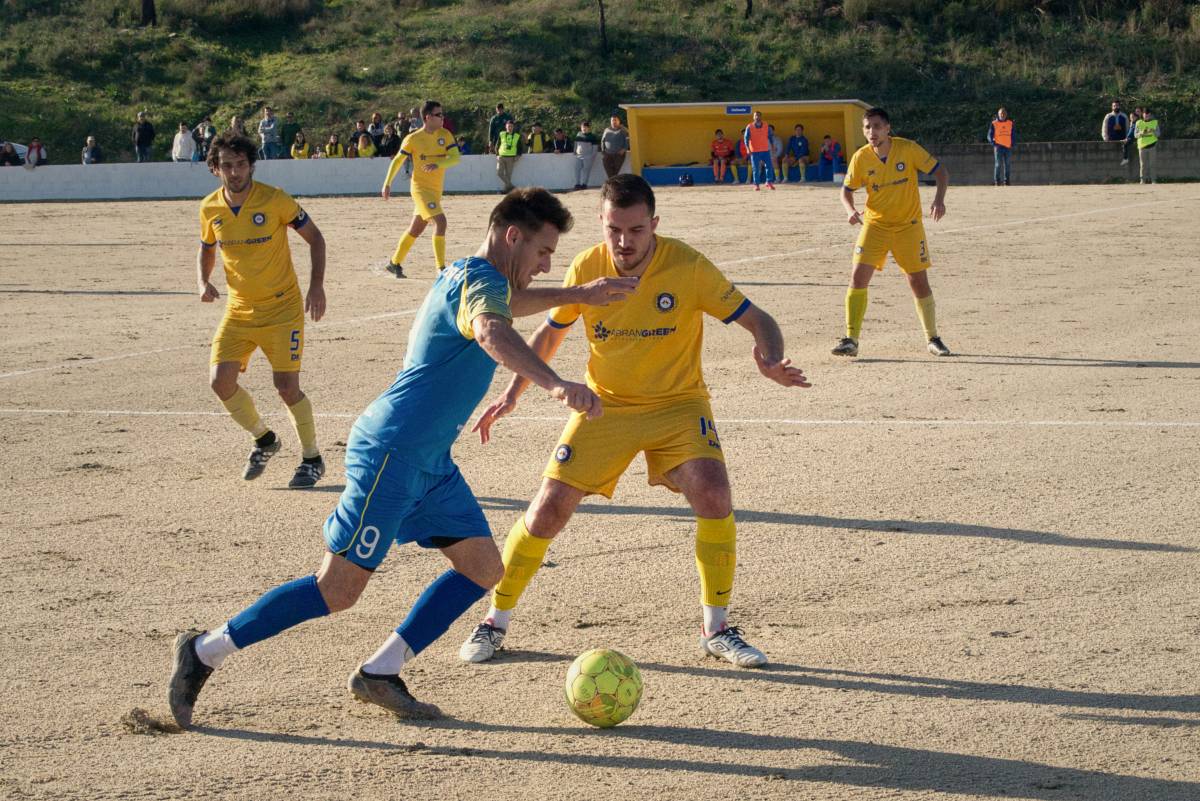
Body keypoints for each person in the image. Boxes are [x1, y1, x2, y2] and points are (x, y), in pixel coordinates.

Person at [168, 187, 640, 727]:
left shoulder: (470, 274)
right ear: (513, 236)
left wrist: (581, 292)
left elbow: (506, 304)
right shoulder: (482, 286)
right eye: (542, 253)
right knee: (337, 590)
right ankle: (204, 651)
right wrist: (554, 383)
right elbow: (491, 327)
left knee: (484, 568)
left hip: (428, 460)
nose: (545, 264)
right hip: (392, 452)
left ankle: (380, 672)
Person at [458, 174, 811, 668]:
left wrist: (770, 357)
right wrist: (513, 392)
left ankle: (718, 629)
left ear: (655, 225)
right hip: (606, 407)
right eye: (613, 230)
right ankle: (495, 621)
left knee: (714, 494)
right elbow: (551, 332)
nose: (623, 242)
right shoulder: (588, 267)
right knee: (547, 510)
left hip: (678, 405)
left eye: (636, 231)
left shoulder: (687, 266)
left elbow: (759, 319)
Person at [194, 131, 329, 488]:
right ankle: (264, 439)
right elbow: (207, 247)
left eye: (241, 164)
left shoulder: (275, 200)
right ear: (214, 169)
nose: (235, 172)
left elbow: (316, 237)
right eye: (227, 166)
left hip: (282, 310)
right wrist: (202, 280)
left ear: (251, 165)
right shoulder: (210, 208)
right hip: (239, 312)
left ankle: (312, 458)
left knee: (286, 386)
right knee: (220, 382)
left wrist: (316, 286)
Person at [833, 107, 951, 359]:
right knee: (857, 278)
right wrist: (850, 210)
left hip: (908, 227)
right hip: (875, 226)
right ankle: (851, 339)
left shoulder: (908, 149)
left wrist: (939, 200)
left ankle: (933, 338)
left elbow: (941, 172)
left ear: (888, 128)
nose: (871, 132)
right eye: (867, 127)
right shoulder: (861, 157)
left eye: (876, 126)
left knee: (918, 282)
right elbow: (846, 190)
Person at [379, 99, 462, 278]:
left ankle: (394, 263)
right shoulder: (413, 138)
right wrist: (387, 182)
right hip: (420, 189)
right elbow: (398, 160)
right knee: (441, 222)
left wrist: (437, 163)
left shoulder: (445, 135)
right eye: (439, 114)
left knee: (415, 229)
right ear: (428, 117)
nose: (442, 117)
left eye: (442, 114)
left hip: (435, 191)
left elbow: (455, 158)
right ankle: (441, 268)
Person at [742, 111, 775, 190]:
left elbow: (770, 136)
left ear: (761, 117)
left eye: (759, 115)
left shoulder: (766, 125)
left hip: (765, 150)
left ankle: (769, 182)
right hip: (754, 151)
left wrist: (772, 145)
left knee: (769, 166)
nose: (757, 117)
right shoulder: (749, 126)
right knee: (756, 168)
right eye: (755, 116)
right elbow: (745, 139)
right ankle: (756, 184)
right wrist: (747, 148)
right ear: (753, 117)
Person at [987, 107, 1014, 186]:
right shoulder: (994, 123)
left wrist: (1012, 143)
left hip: (1007, 147)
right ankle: (997, 181)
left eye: (1004, 113)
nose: (1002, 115)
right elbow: (989, 135)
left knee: (1007, 164)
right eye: (1001, 113)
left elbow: (1013, 134)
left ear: (1006, 115)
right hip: (998, 148)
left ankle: (1007, 181)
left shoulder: (1010, 123)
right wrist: (994, 143)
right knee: (998, 164)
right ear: (998, 114)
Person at [1134, 108, 1161, 185]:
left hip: (1152, 146)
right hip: (1142, 147)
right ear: (1143, 114)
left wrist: (1153, 131)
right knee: (1142, 164)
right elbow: (1135, 135)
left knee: (1152, 164)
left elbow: (1158, 134)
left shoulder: (1155, 122)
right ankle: (1142, 180)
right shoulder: (1138, 123)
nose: (1147, 116)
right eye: (1145, 115)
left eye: (1148, 115)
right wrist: (1141, 133)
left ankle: (1153, 180)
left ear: (1151, 115)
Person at [496, 119, 522, 193]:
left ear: (513, 127)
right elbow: (497, 144)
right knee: (499, 173)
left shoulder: (517, 136)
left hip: (511, 157)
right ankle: (512, 187)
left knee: (508, 176)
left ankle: (505, 191)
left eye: (511, 126)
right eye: (508, 126)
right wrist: (497, 154)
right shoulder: (502, 134)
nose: (510, 128)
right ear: (506, 126)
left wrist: (518, 155)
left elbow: (520, 147)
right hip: (501, 156)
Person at [600, 114, 630, 179]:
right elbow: (602, 141)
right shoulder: (606, 130)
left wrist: (624, 149)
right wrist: (603, 151)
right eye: (612, 120)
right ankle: (613, 184)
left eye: (615, 120)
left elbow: (627, 140)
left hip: (619, 154)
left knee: (615, 171)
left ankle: (612, 184)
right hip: (607, 154)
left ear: (619, 121)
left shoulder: (623, 130)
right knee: (609, 171)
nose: (614, 122)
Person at [573, 120, 600, 190]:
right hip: (578, 156)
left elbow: (595, 148)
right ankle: (577, 184)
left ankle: (584, 184)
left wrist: (591, 156)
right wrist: (574, 150)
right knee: (577, 169)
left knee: (586, 171)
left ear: (588, 128)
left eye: (585, 127)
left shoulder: (592, 136)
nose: (584, 128)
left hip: (588, 157)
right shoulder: (578, 134)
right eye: (582, 127)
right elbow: (576, 143)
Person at [1102, 100, 1130, 165]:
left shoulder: (1124, 116)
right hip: (1111, 139)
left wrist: (1127, 138)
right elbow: (1104, 128)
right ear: (1112, 107)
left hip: (1122, 139)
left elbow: (1128, 128)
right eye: (1114, 106)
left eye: (1117, 105)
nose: (1116, 107)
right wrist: (1105, 137)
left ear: (1119, 106)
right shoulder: (1108, 116)